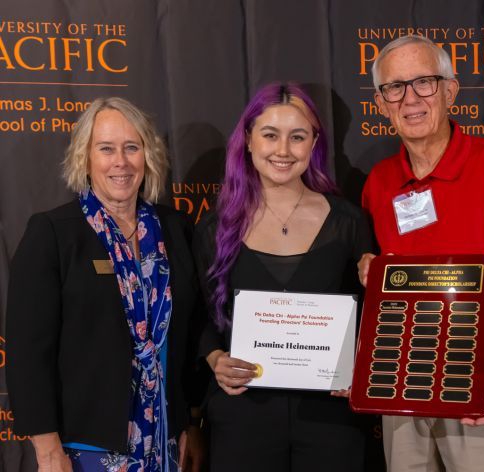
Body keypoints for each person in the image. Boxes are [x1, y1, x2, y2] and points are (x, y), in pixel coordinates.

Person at [358, 35, 484, 471]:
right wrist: (370, 272)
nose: (410, 98)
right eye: (395, 87)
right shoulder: (379, 182)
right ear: (380, 103)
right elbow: (383, 278)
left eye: (424, 82)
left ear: (450, 90)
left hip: (481, 384)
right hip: (401, 383)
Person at [7, 97, 204, 472]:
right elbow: (28, 352)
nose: (121, 161)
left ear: (148, 156)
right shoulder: (53, 233)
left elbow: (191, 332)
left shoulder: (175, 229)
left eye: (132, 147)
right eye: (106, 148)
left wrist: (189, 421)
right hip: (85, 444)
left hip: (164, 438)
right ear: (85, 158)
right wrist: (47, 447)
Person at [194, 83, 371, 472]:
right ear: (248, 139)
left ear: (314, 143)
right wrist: (215, 357)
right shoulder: (214, 229)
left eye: (297, 137)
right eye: (270, 135)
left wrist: (362, 364)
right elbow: (199, 315)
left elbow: (376, 319)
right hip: (243, 412)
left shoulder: (350, 222)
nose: (283, 151)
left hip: (332, 416)